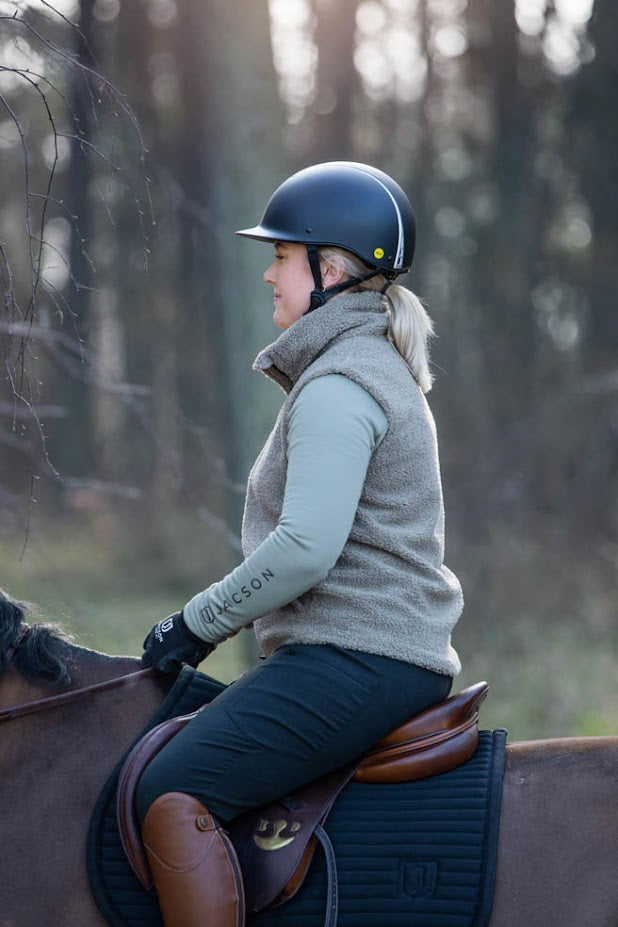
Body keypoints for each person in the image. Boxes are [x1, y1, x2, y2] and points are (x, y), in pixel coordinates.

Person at [138, 161, 464, 927]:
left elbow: (306, 548)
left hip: (357, 656)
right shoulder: (368, 365)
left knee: (168, 789)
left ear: (331, 270)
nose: (268, 273)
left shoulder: (341, 383)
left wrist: (195, 623)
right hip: (374, 656)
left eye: (282, 255)